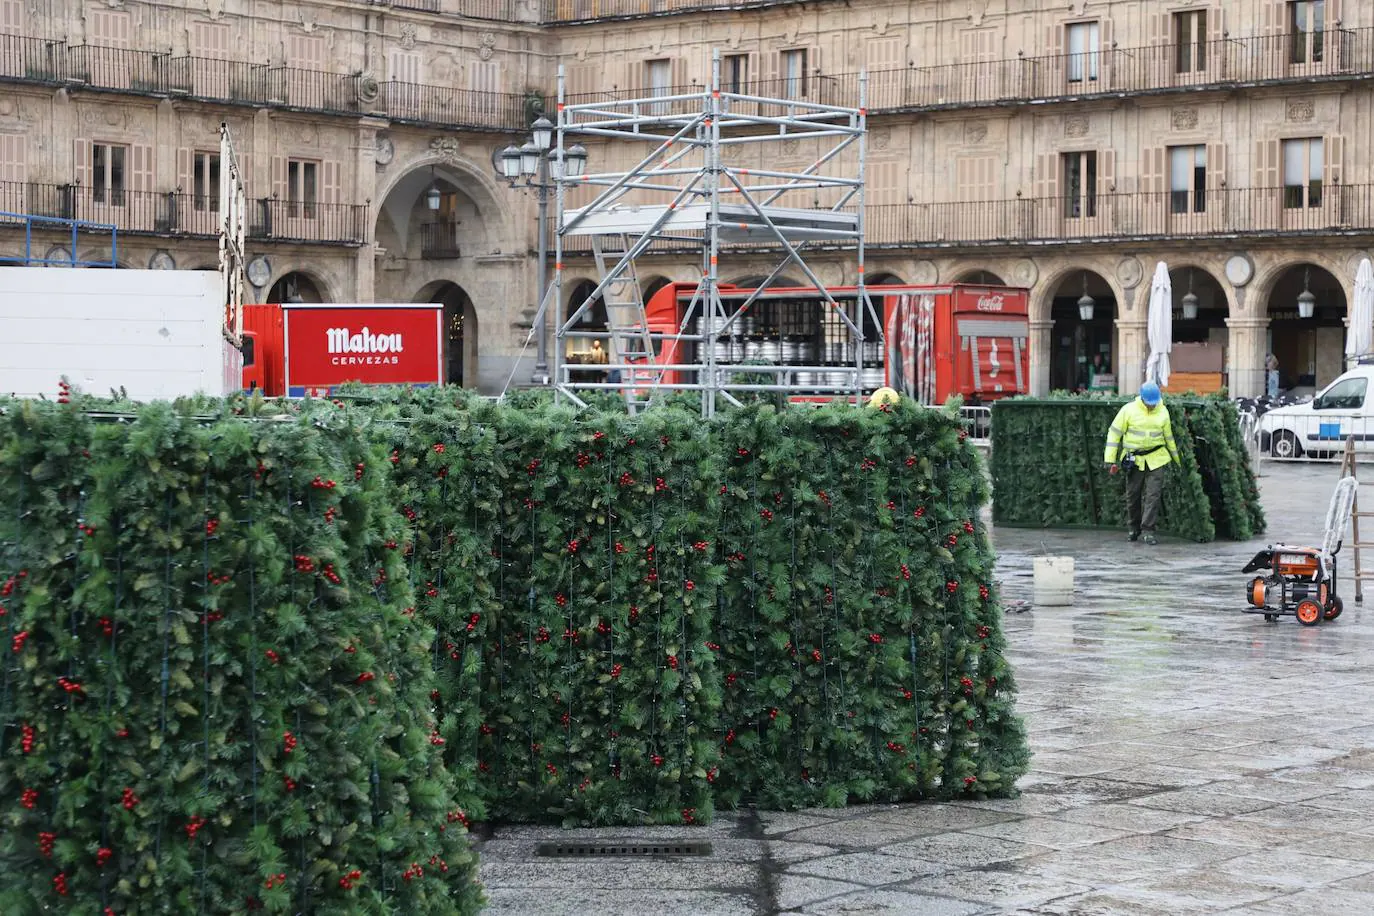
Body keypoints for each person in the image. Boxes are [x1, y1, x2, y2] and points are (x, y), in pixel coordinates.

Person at [1103, 381, 1182, 545]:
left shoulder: (1163, 411)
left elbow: (1169, 438)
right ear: (1142, 399)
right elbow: (1114, 434)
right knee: (1133, 495)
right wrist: (1109, 459)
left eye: (1154, 404)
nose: (1152, 406)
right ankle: (1133, 528)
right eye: (1149, 403)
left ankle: (1148, 531)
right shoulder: (1128, 410)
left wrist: (1177, 460)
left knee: (1153, 496)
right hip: (1134, 460)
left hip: (1157, 458)